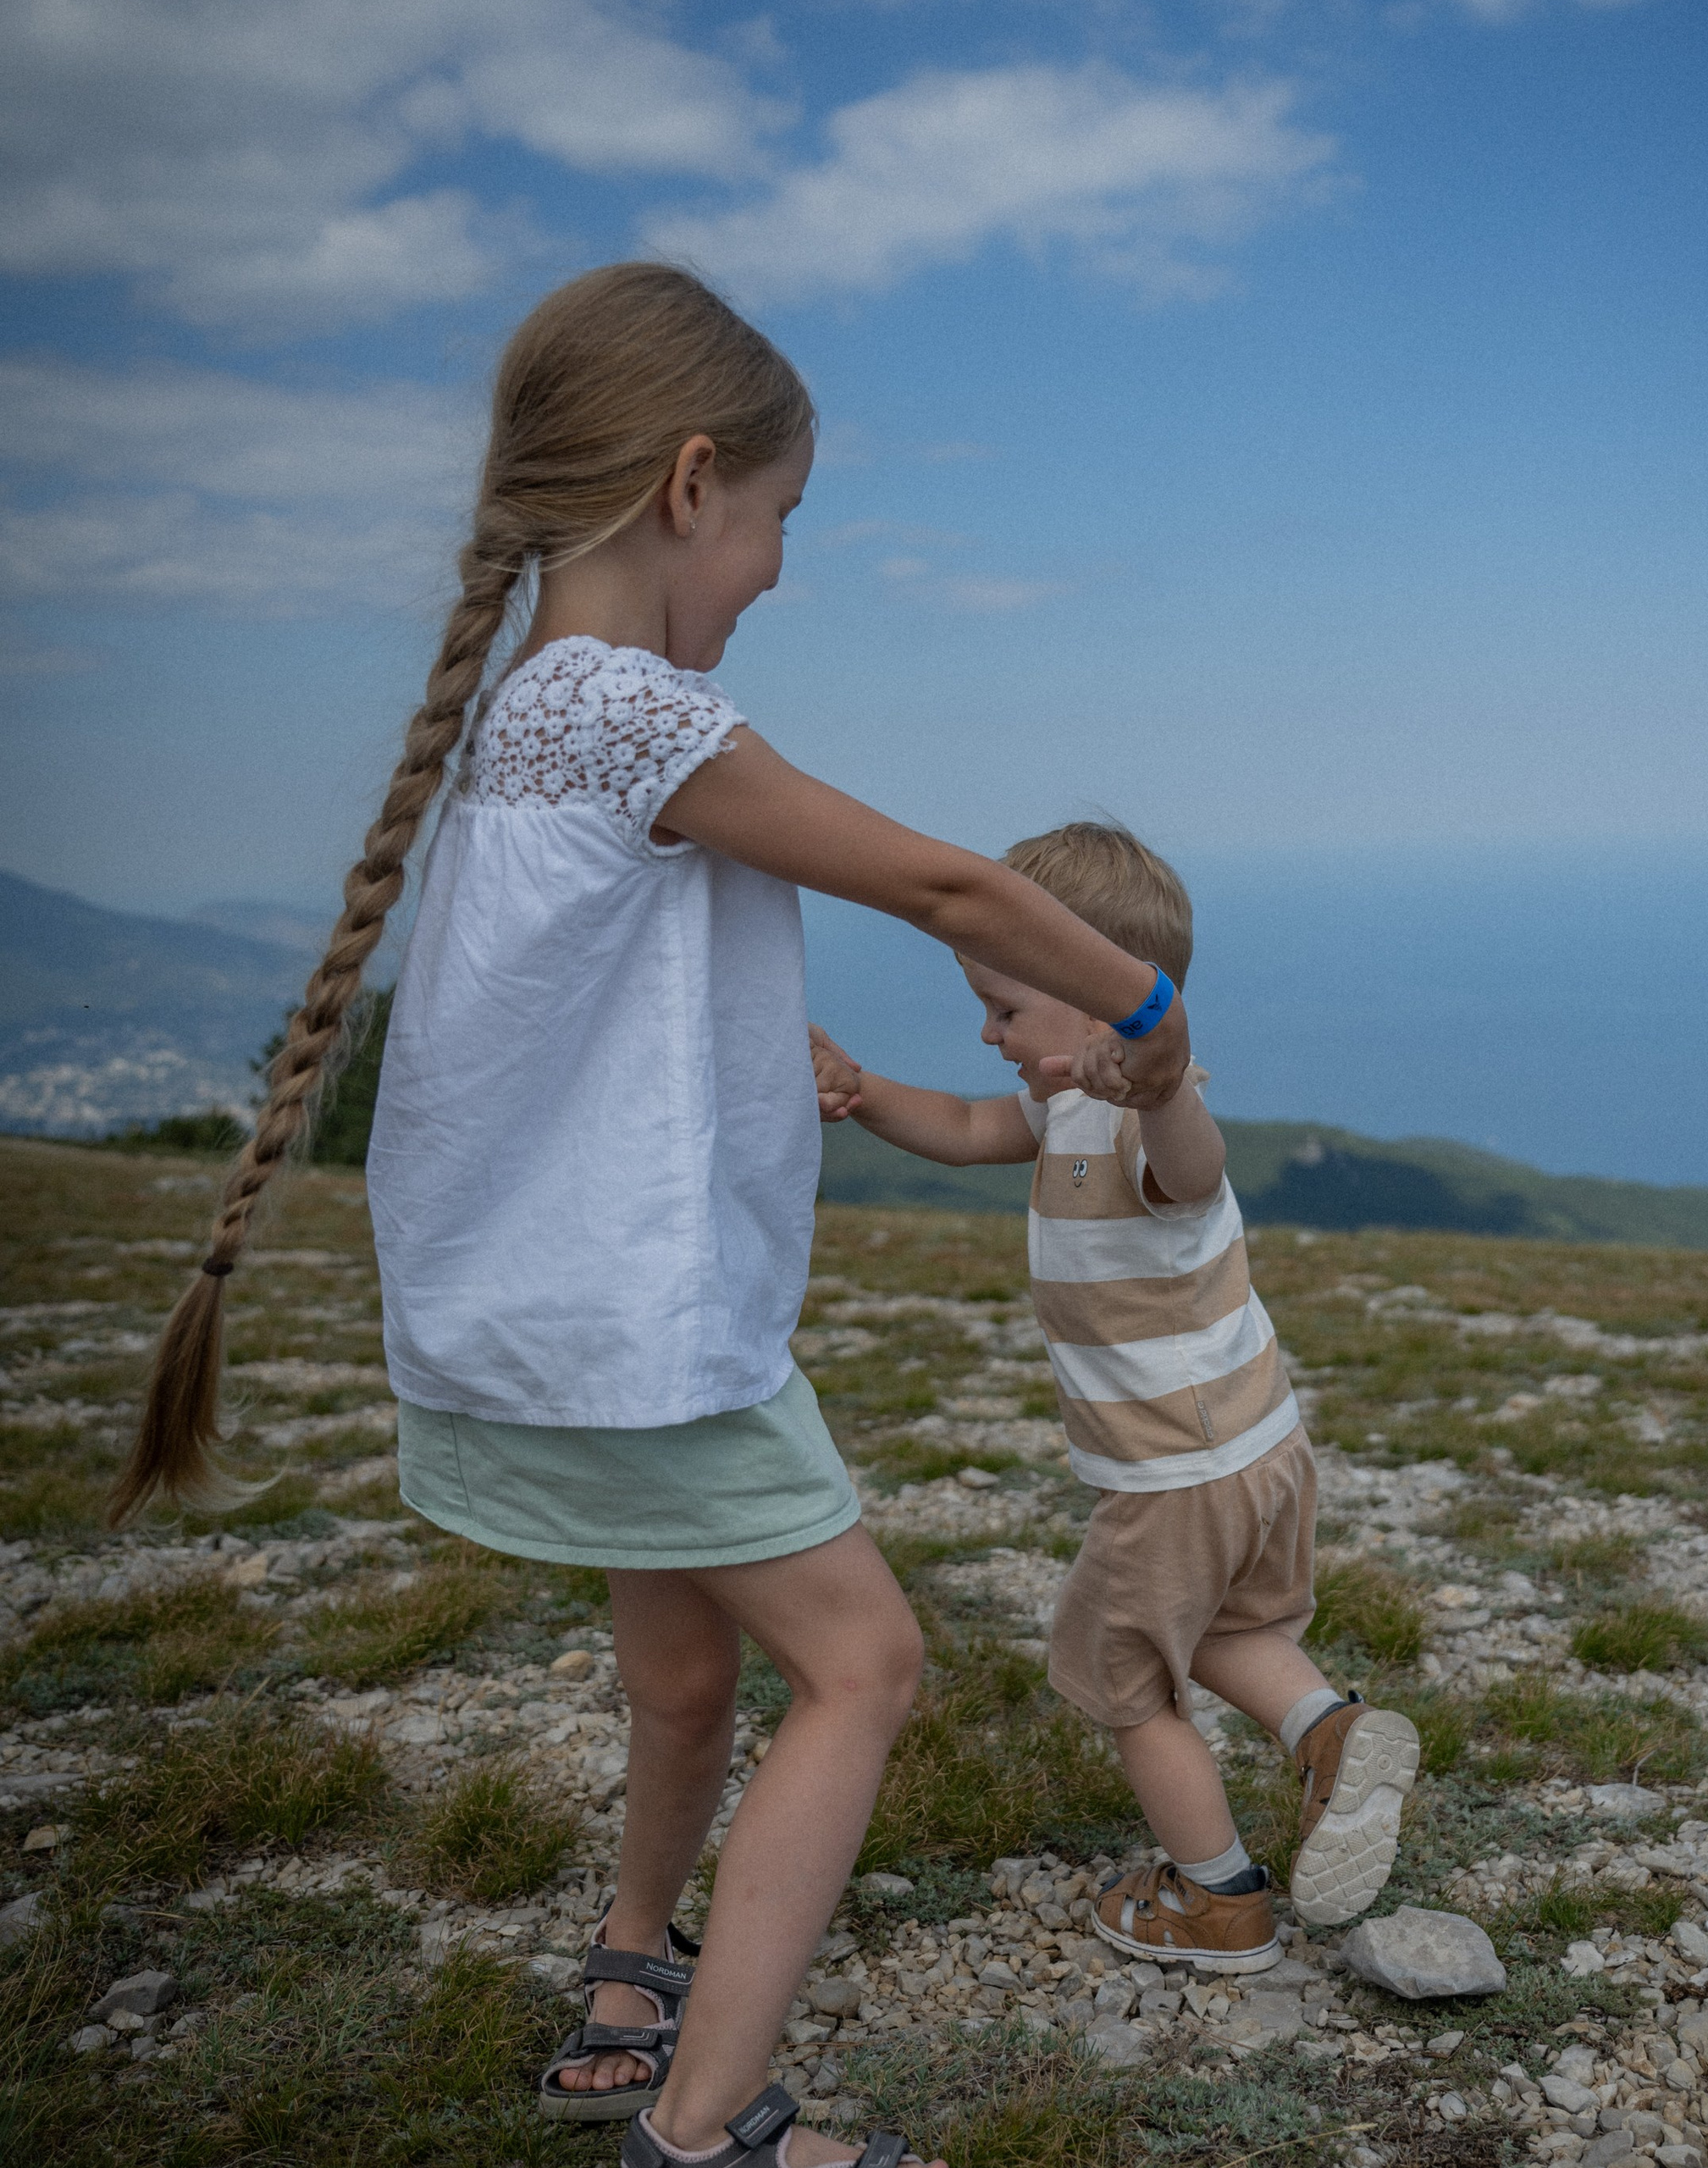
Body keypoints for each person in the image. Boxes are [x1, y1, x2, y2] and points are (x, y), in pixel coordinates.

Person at [113, 265, 1197, 2168]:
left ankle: (634, 1955)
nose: (779, 566)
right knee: (862, 1663)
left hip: (530, 1318)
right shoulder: (629, 710)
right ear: (692, 484)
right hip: (634, 1334)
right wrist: (1153, 1017)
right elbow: (949, 886)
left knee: (687, 1669)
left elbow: (568, 998)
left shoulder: (532, 711)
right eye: (780, 517)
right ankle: (707, 2128)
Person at [812, 823, 1420, 1973]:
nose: (986, 1033)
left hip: (1176, 1473)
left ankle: (1217, 1896)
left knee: (1123, 1684)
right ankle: (1333, 1734)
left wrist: (1155, 1083)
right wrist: (864, 1089)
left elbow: (1190, 1164)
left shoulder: (1154, 1119)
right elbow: (965, 1127)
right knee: (1230, 1629)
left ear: (1102, 1000)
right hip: (1255, 1447)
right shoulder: (1059, 1106)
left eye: (1004, 1007)